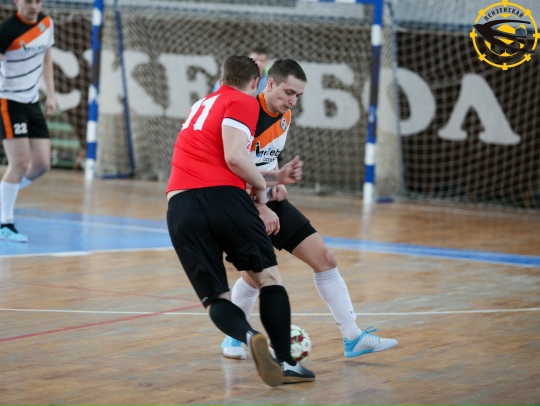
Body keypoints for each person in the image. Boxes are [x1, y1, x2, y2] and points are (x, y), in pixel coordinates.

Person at [220, 59, 398, 360]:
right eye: (288, 92)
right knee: (255, 276)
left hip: (267, 198)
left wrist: (277, 180)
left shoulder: (284, 115)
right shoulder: (245, 112)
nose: (292, 100)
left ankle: (353, 337)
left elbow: (266, 157)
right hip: (239, 202)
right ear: (269, 83)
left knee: (325, 259)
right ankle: (233, 337)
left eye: (298, 95)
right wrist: (261, 203)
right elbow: (232, 168)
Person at [166, 55, 315, 387]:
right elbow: (234, 157)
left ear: (221, 79)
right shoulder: (244, 102)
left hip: (179, 205)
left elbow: (220, 157)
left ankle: (247, 336)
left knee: (215, 299)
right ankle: (285, 361)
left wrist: (274, 176)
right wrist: (262, 192)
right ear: (256, 83)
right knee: (269, 278)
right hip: (224, 198)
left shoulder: (201, 104)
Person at [0, 0, 56, 243]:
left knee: (41, 164)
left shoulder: (46, 23)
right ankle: (5, 223)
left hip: (32, 102)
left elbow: (47, 59)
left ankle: (4, 196)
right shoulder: (7, 30)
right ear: (17, 1)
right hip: (9, 102)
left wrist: (51, 95)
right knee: (20, 163)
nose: (33, 6)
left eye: (37, 1)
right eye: (28, 1)